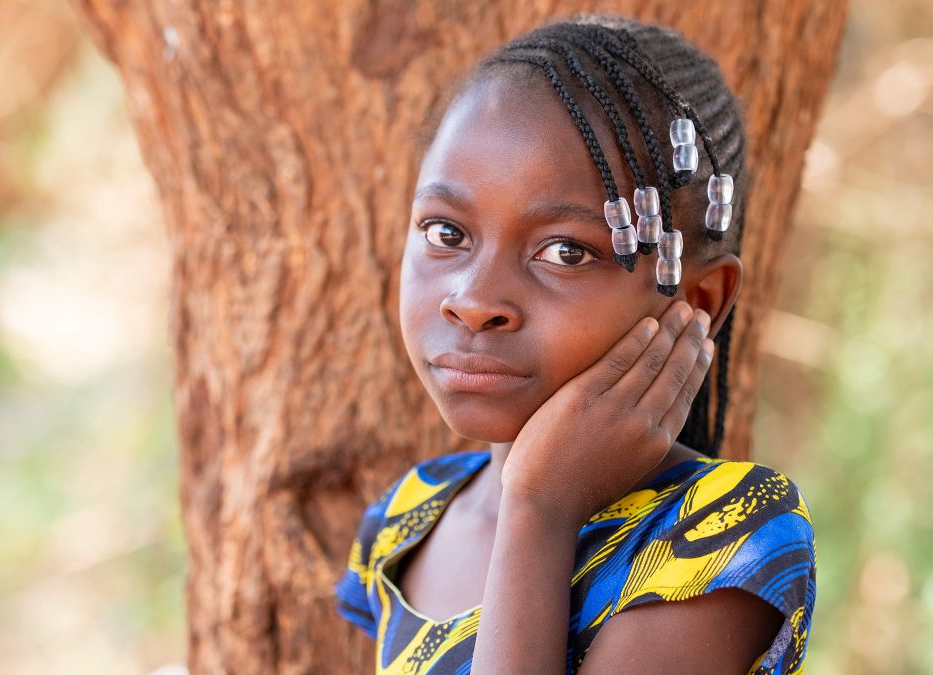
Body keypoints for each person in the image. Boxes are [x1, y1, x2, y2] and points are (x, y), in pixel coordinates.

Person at [334, 14, 816, 674]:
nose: (473, 300)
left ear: (698, 300)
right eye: (447, 234)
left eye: (566, 251)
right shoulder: (407, 520)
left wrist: (539, 509)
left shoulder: (720, 530)